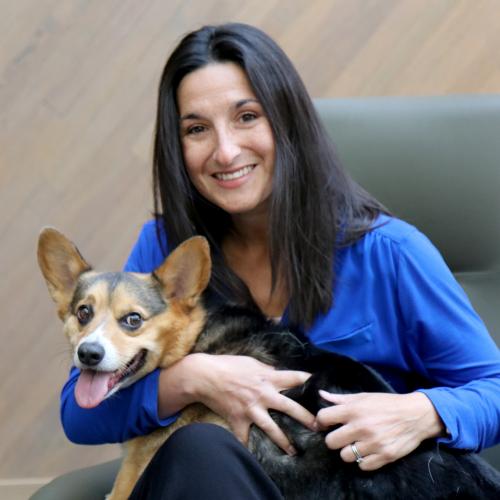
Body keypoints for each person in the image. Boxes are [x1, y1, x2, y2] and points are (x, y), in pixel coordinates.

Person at [35, 23, 500, 499]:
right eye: (197, 129)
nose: (225, 151)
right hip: (229, 484)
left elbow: (494, 387)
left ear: (287, 122)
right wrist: (193, 378)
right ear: (177, 147)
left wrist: (422, 412)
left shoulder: (391, 252)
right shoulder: (166, 249)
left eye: (247, 117)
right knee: (200, 449)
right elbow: (82, 414)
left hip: (354, 487)